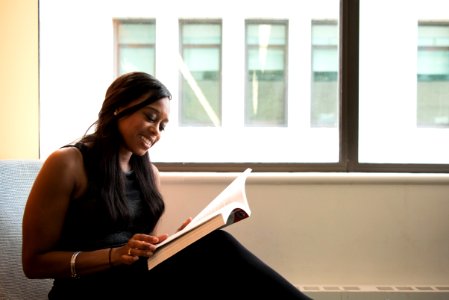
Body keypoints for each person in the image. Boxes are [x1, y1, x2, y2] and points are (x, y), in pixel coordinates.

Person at [22, 71, 312, 300]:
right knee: (217, 249)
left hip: (133, 285)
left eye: (162, 125)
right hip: (85, 292)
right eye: (150, 117)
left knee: (210, 251)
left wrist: (177, 242)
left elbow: (141, 252)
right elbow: (34, 263)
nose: (156, 131)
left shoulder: (150, 173)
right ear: (119, 107)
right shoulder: (68, 163)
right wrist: (115, 255)